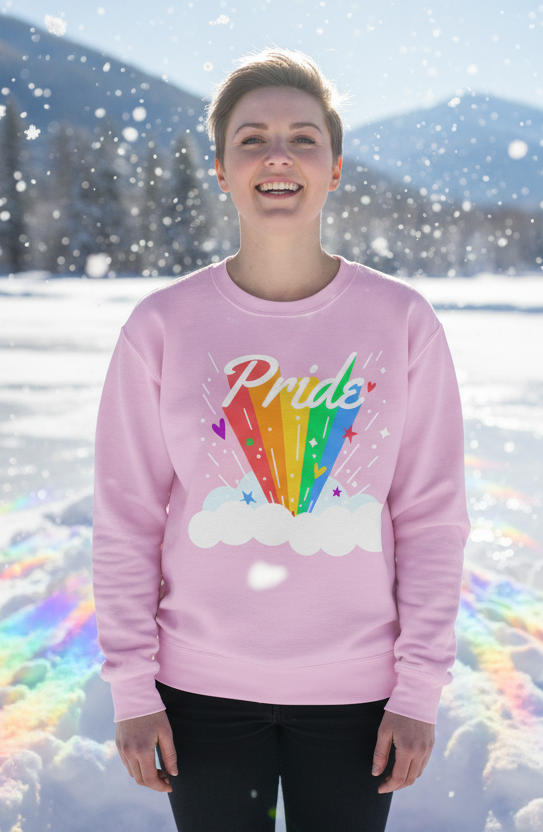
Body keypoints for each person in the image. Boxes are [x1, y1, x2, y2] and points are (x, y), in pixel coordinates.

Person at [91, 48, 470, 832]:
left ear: (335, 169)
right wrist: (133, 689)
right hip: (198, 696)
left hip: (359, 701)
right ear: (222, 170)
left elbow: (431, 515)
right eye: (251, 138)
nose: (278, 156)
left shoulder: (401, 322)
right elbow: (127, 516)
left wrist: (417, 689)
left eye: (303, 138)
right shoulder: (162, 327)